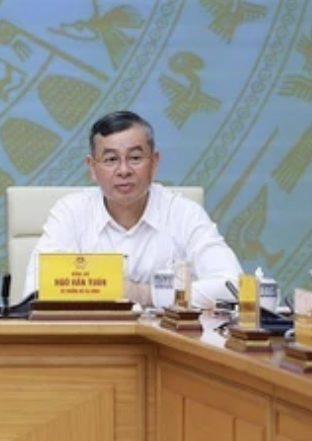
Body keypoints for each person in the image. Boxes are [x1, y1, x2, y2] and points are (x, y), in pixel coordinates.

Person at [25, 109, 241, 308]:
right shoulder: (71, 213)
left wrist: (146, 294)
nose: (124, 170)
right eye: (111, 159)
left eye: (135, 158)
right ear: (92, 167)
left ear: (154, 162)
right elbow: (36, 292)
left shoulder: (184, 213)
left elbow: (234, 287)